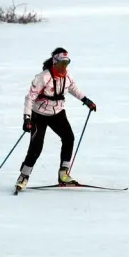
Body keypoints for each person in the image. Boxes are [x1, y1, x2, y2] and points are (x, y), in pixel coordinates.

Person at [15, 47, 97, 190]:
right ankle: (23, 176)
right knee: (36, 146)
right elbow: (30, 98)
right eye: (61, 64)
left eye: (66, 64)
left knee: (69, 138)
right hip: (38, 115)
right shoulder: (43, 78)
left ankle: (63, 173)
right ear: (54, 63)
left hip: (57, 113)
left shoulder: (67, 77)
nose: (64, 67)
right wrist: (27, 119)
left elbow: (73, 89)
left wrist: (86, 100)